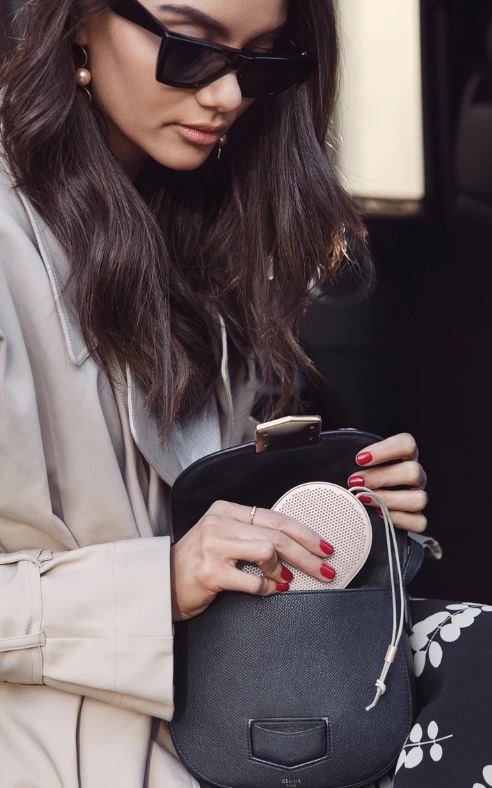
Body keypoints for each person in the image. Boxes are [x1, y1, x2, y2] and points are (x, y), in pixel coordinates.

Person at [0, 2, 488, 788]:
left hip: (234, 709)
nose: (228, 95)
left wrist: (323, 500)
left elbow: (191, 512)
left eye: (264, 60)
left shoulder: (201, 222)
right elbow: (163, 559)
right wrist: (158, 584)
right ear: (81, 19)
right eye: (192, 48)